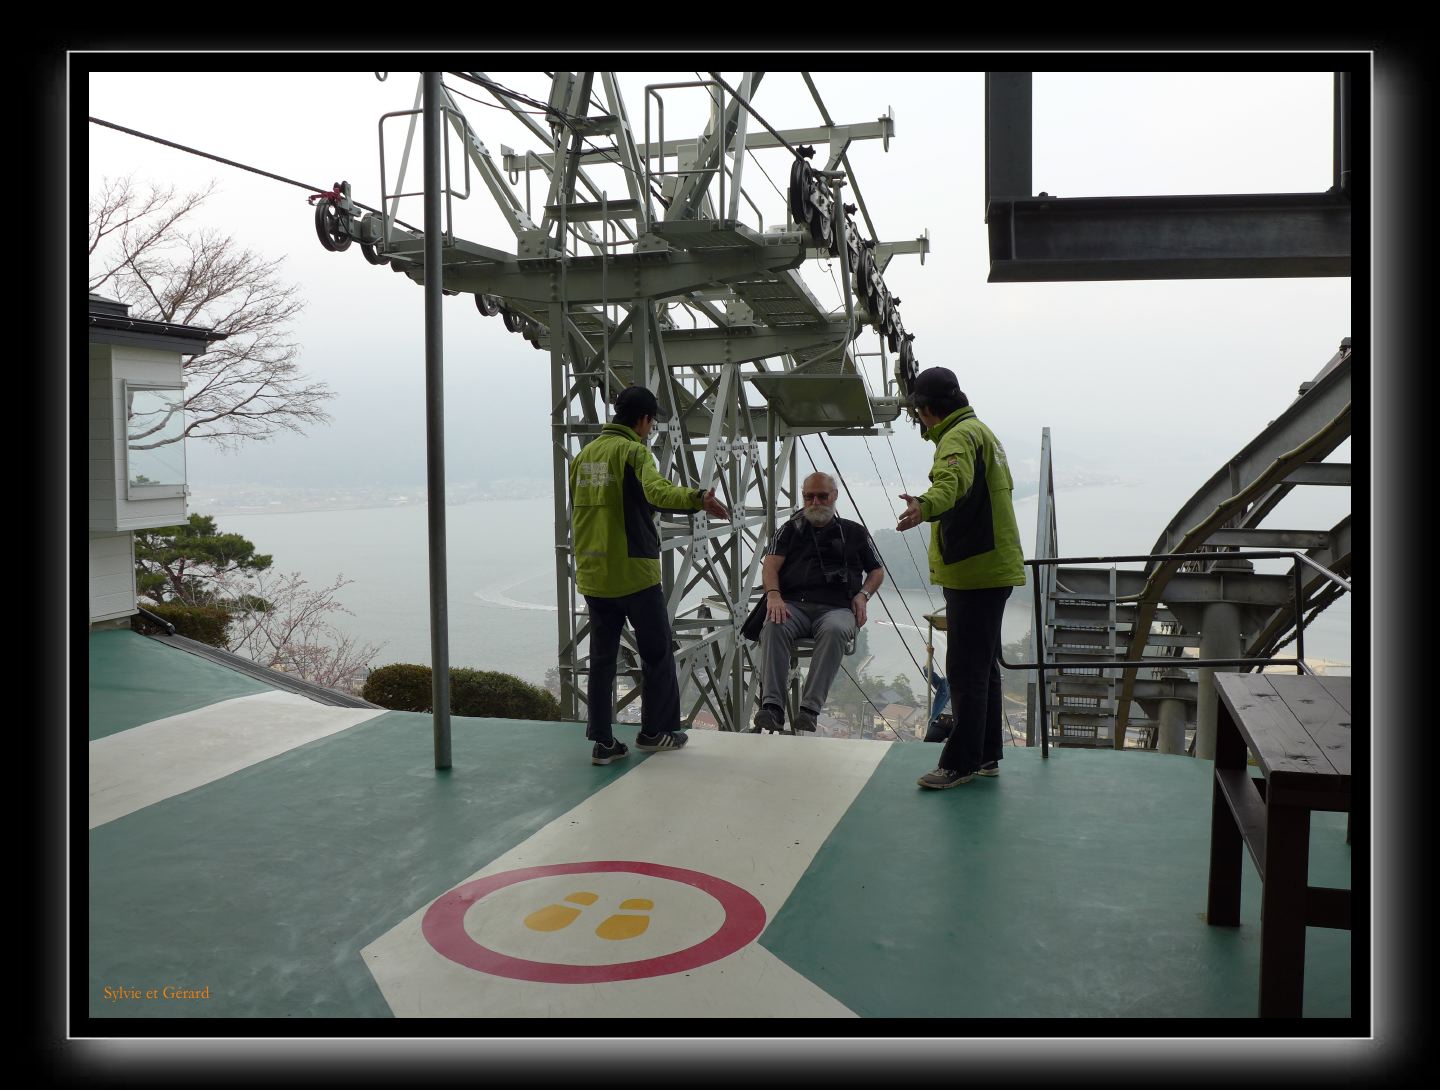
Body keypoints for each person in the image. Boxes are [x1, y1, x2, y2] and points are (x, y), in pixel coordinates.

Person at [570, 385, 729, 765]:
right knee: (657, 653)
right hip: (635, 574)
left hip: (594, 576)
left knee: (602, 660)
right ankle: (655, 731)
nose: (651, 428)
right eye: (652, 421)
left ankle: (603, 742)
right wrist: (697, 499)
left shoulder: (584, 456)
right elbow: (658, 492)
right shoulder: (633, 452)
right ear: (643, 420)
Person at [895, 367, 1025, 788]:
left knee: (965, 670)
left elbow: (952, 483)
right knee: (983, 667)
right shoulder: (981, 432)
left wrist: (924, 505)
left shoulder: (956, 439)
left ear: (927, 409)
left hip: (974, 570)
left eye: (917, 412)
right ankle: (986, 754)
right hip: (992, 565)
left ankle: (959, 762)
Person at [753, 472, 884, 734]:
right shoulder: (789, 530)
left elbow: (876, 571)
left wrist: (863, 595)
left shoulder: (854, 532)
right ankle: (772, 707)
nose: (815, 502)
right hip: (794, 604)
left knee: (836, 629)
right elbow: (770, 565)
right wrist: (774, 595)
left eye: (822, 496)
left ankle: (809, 709)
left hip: (836, 608)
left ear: (834, 496)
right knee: (773, 625)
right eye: (808, 497)